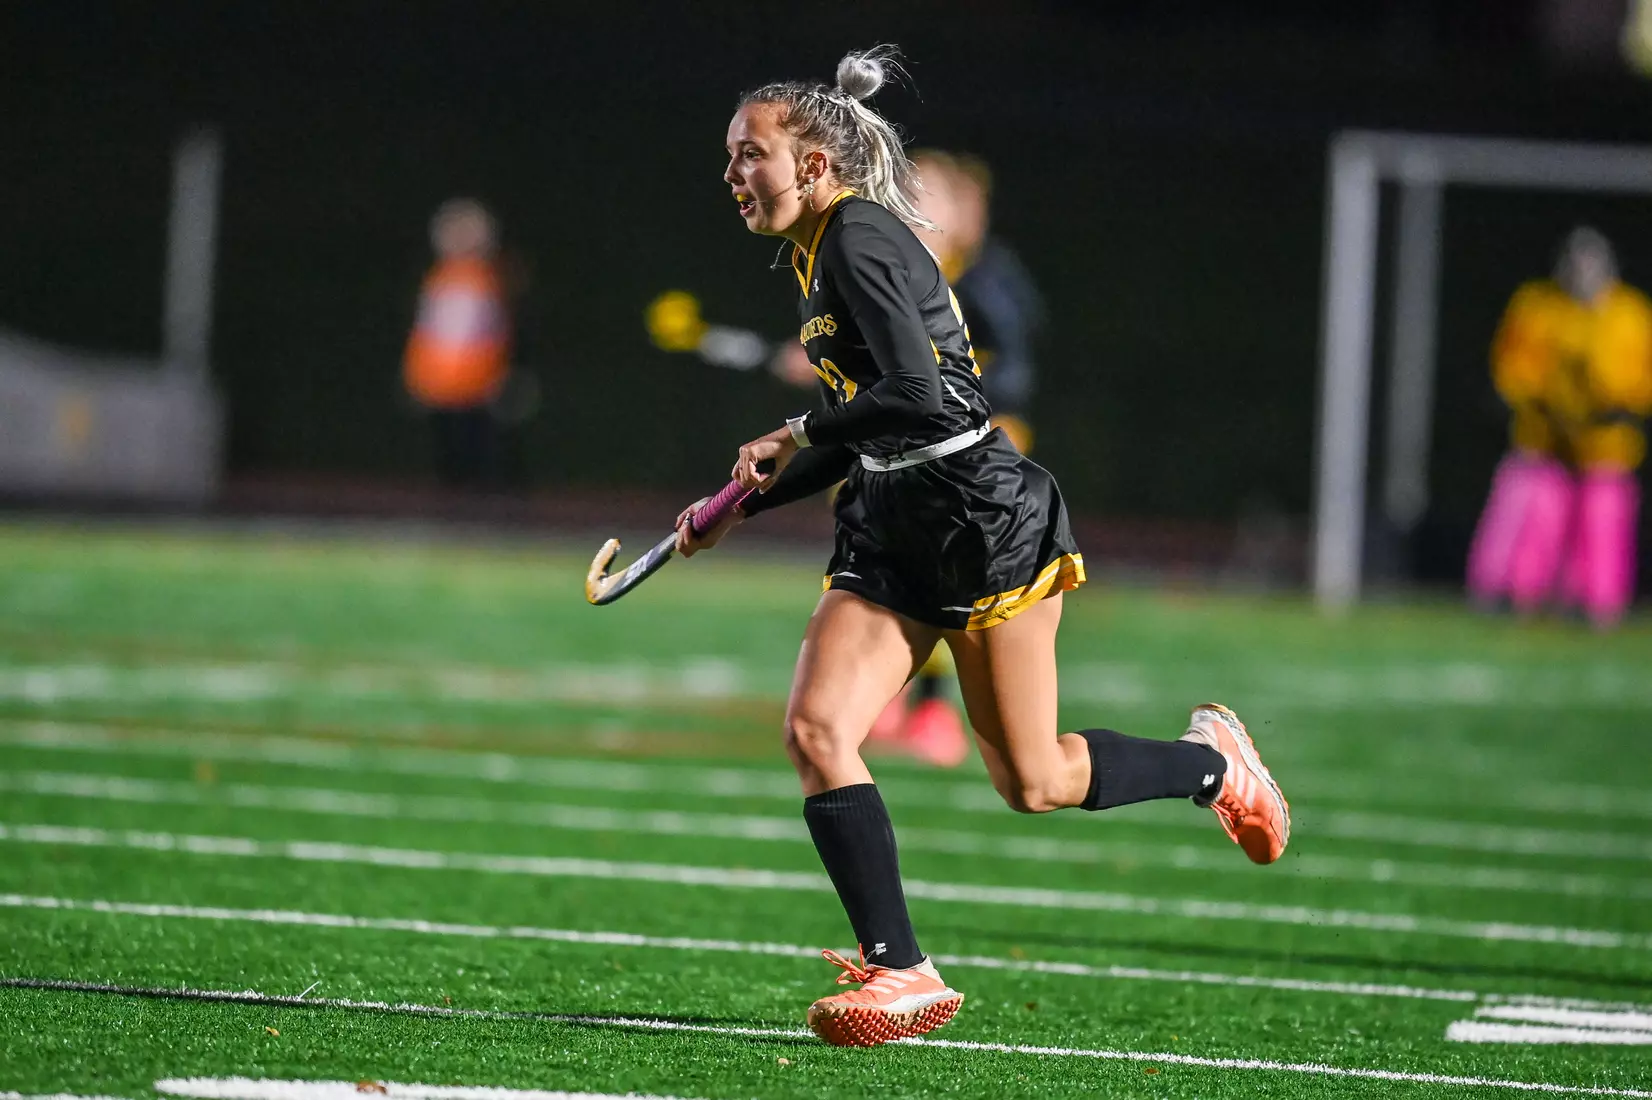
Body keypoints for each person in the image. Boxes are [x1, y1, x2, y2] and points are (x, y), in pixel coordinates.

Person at [674, 46, 1290, 1049]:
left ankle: (1210, 764)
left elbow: (918, 398)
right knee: (818, 727)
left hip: (976, 519)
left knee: (1034, 779)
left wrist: (800, 431)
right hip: (889, 525)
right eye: (730, 157)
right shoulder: (813, 254)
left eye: (751, 155)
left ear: (817, 166)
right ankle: (899, 965)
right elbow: (865, 425)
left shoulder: (859, 240)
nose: (734, 173)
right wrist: (753, 496)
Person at [1468, 227, 1652, 627]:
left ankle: (1595, 603)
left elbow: (1638, 378)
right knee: (1531, 502)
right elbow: (1515, 366)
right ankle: (1510, 593)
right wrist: (1529, 399)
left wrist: (1621, 404)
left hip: (1603, 443)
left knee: (1602, 512)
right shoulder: (1538, 306)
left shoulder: (1629, 314)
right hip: (1545, 435)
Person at [403, 199, 512, 488]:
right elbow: (428, 333)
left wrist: (497, 375)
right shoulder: (440, 280)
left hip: (476, 383)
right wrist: (419, 375)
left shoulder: (485, 281)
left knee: (478, 451)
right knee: (447, 454)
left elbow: (494, 334)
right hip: (441, 382)